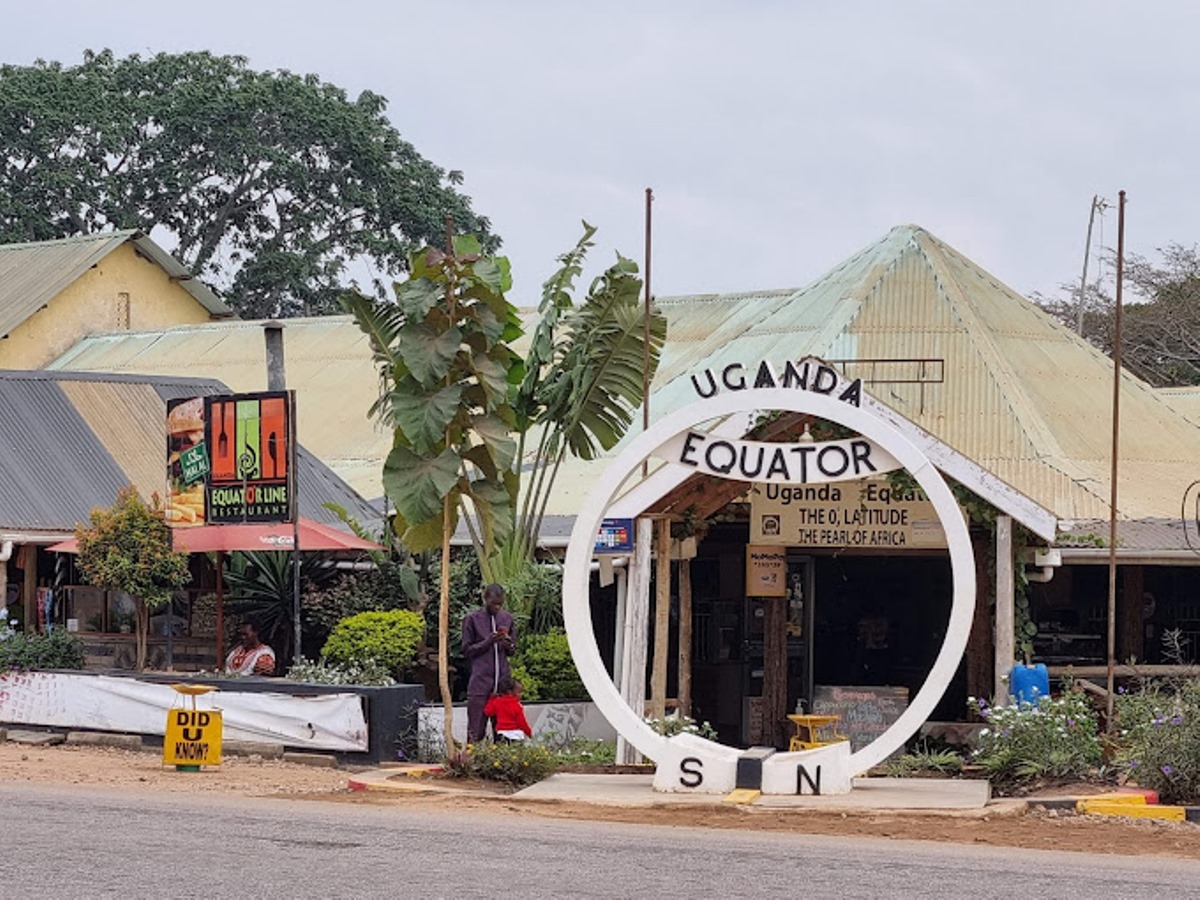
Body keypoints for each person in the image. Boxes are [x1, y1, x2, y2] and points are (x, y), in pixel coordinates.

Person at [461, 583, 515, 742]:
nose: (497, 607)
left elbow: (513, 650)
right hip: (481, 681)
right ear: (485, 599)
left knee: (504, 730)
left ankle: (502, 763)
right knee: (476, 728)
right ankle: (473, 761)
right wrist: (488, 642)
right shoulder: (472, 619)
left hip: (503, 682)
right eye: (494, 603)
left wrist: (507, 644)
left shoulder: (507, 618)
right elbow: (466, 650)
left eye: (500, 604)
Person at [484, 676, 532, 742]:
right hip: (516, 735)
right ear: (510, 691)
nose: (521, 694)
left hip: (501, 734)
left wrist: (491, 699)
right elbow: (521, 722)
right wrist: (528, 732)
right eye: (519, 692)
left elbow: (488, 712)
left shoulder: (497, 702)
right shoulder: (516, 705)